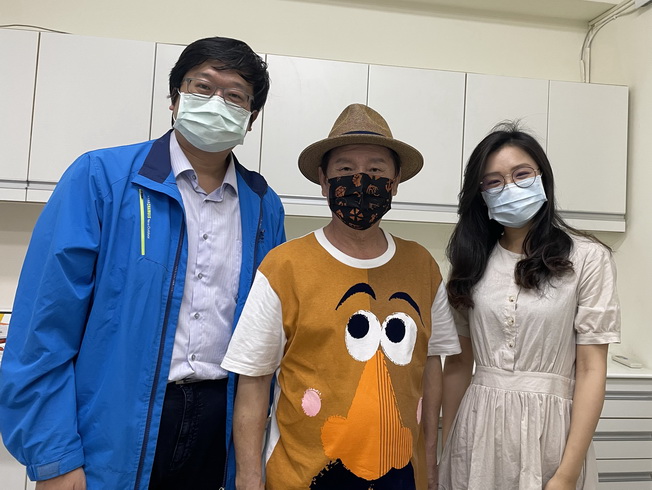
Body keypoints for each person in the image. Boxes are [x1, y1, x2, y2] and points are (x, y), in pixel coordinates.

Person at [0, 36, 285, 489]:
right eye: (202, 87)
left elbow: (263, 335)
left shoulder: (263, 205)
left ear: (251, 119)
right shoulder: (101, 179)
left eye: (235, 95)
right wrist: (54, 457)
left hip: (221, 421)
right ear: (174, 100)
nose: (217, 102)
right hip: (114, 424)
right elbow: (43, 328)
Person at [221, 103, 461, 490]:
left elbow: (431, 366)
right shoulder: (284, 265)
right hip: (302, 478)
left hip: (401, 477)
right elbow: (254, 380)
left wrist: (429, 461)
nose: (362, 179)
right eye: (345, 170)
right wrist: (248, 479)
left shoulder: (423, 266)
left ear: (396, 181)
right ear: (323, 179)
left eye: (377, 170)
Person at [438, 122, 621, 489]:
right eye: (493, 181)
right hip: (476, 429)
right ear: (481, 193)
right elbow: (458, 364)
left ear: (542, 179)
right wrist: (446, 452)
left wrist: (567, 474)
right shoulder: (471, 261)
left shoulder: (587, 258)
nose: (509, 187)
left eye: (521, 174)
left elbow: (590, 370)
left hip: (551, 431)